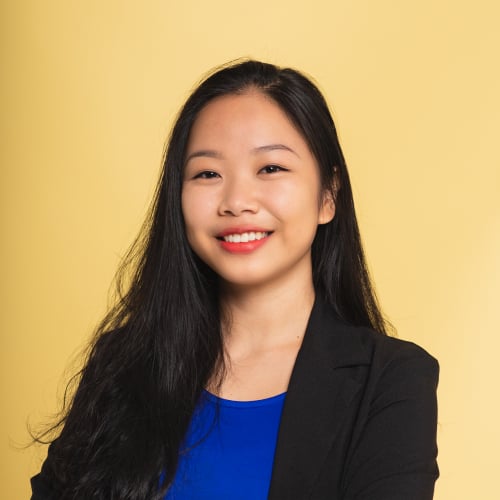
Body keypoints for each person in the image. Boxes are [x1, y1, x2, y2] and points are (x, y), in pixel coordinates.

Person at [30, 60, 439, 499]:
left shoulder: (392, 380)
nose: (237, 201)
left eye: (271, 168)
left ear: (328, 195)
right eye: (207, 174)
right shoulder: (123, 363)